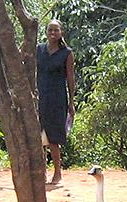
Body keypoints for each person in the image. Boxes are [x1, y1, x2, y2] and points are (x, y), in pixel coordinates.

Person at [36, 20, 76, 185]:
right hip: (40, 97)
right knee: (38, 137)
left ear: (61, 33)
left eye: (56, 30)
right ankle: (41, 172)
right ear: (46, 32)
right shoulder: (38, 49)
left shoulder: (66, 53)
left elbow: (71, 78)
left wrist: (71, 102)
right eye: (50, 30)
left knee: (53, 137)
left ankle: (58, 173)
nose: (52, 33)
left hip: (57, 98)